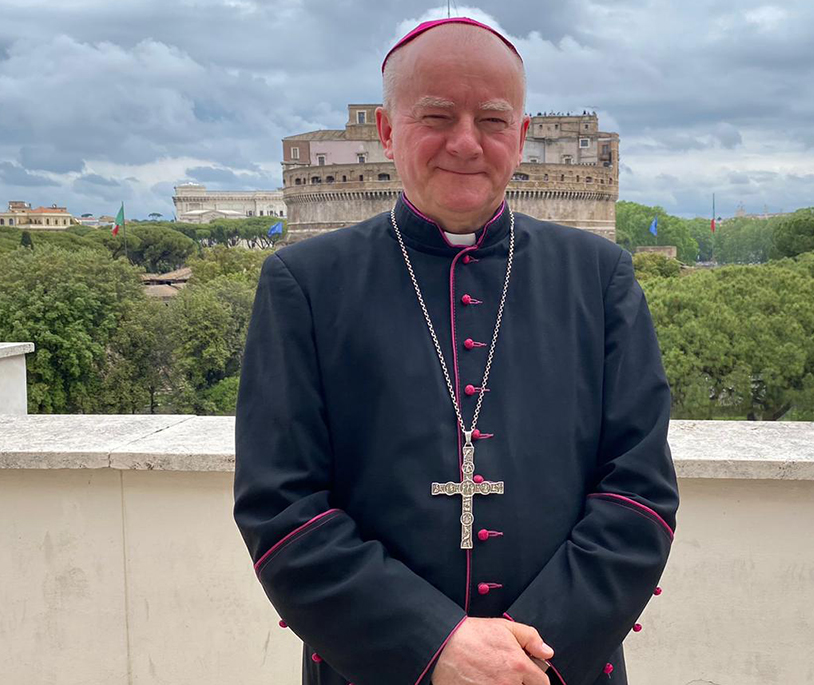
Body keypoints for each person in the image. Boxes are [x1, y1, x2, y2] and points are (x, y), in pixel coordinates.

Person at [233, 16, 679, 685]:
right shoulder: (305, 285)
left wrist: (529, 661)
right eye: (437, 115)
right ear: (387, 131)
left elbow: (640, 494)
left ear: (522, 136)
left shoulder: (598, 277)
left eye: (493, 121)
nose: (466, 143)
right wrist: (433, 645)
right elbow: (281, 507)